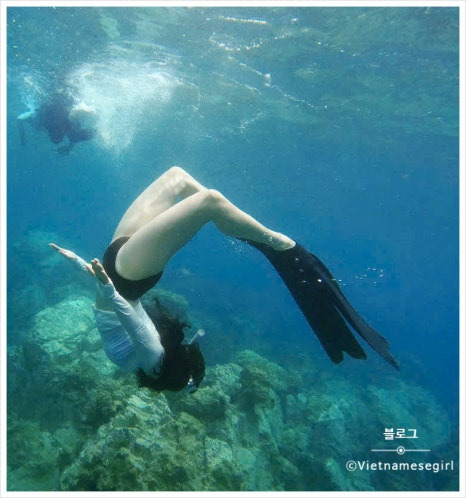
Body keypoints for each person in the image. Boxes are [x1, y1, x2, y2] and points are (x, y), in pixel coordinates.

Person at [50, 166, 398, 394]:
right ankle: (253, 233)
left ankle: (248, 230)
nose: (190, 346)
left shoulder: (150, 359)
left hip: (121, 275)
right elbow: (120, 313)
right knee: (194, 190)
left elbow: (128, 317)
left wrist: (91, 272)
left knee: (193, 188)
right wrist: (93, 275)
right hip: (124, 270)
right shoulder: (139, 362)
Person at [17, 91, 96, 154]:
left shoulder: (40, 121)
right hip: (62, 100)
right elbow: (74, 138)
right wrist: (68, 149)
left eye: (56, 132)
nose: (59, 130)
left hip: (54, 98)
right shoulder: (68, 127)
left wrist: (22, 137)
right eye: (60, 132)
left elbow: (19, 119)